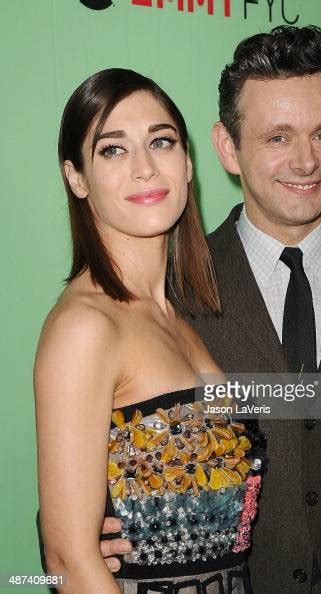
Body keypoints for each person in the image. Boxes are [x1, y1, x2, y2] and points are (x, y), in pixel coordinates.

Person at [98, 27, 321, 593]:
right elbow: (86, 494)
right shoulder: (166, 294)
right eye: (278, 137)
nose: (306, 161)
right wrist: (86, 542)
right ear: (228, 148)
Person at [34, 68, 265, 594]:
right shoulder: (85, 327)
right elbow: (67, 558)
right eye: (113, 150)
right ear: (76, 177)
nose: (144, 168)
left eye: (160, 142)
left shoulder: (180, 315)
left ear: (187, 164)